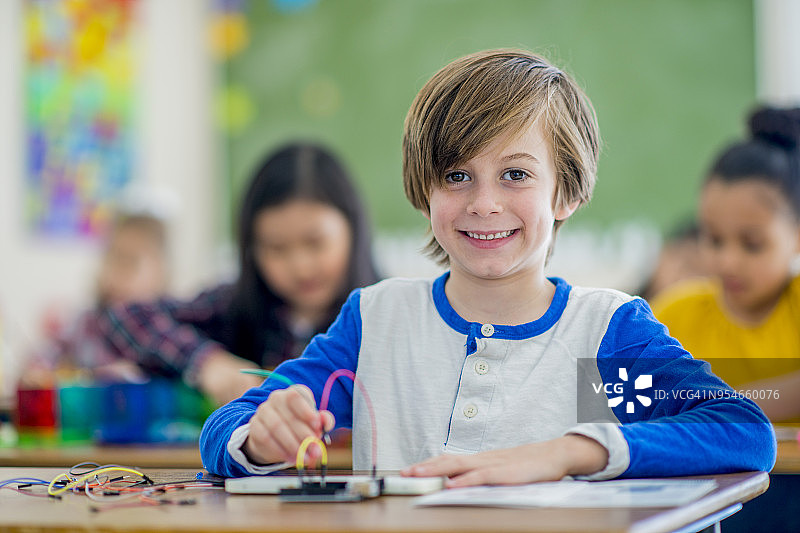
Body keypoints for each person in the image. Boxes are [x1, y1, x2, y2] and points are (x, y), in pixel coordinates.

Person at [199, 49, 775, 484]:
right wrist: (260, 439)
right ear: (425, 193)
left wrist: (567, 451)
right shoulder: (377, 322)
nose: (483, 204)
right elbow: (227, 427)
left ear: (565, 192)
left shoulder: (600, 338)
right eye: (456, 176)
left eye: (516, 174)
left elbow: (741, 431)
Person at [98, 142, 380, 405]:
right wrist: (207, 362)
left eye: (315, 242)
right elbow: (125, 316)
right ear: (251, 249)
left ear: (353, 230)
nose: (300, 267)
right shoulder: (234, 306)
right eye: (277, 248)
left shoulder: (385, 311)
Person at [652, 106, 800, 423]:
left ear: (796, 237)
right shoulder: (674, 315)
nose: (727, 261)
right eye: (714, 239)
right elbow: (623, 396)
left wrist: (714, 408)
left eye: (752, 244)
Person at [22, 212, 170, 386]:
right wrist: (40, 371)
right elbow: (41, 361)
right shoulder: (88, 323)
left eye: (130, 262)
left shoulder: (167, 328)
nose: (115, 273)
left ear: (160, 271)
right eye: (111, 259)